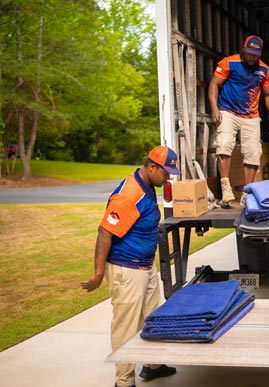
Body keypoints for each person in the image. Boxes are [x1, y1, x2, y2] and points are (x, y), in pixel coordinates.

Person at [81, 146, 179, 387]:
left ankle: (152, 365)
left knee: (153, 318)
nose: (168, 177)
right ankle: (124, 382)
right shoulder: (130, 193)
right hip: (127, 270)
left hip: (145, 266)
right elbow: (105, 231)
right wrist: (98, 273)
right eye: (165, 172)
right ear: (151, 166)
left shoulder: (146, 186)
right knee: (126, 326)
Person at [208, 35, 269, 207]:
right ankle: (225, 186)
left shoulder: (264, 70)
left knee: (253, 152)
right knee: (224, 144)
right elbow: (213, 85)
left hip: (251, 114)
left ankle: (247, 192)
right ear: (244, 49)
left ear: (259, 53)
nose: (252, 57)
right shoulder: (229, 63)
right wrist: (215, 109)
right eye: (249, 53)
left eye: (255, 54)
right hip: (228, 110)